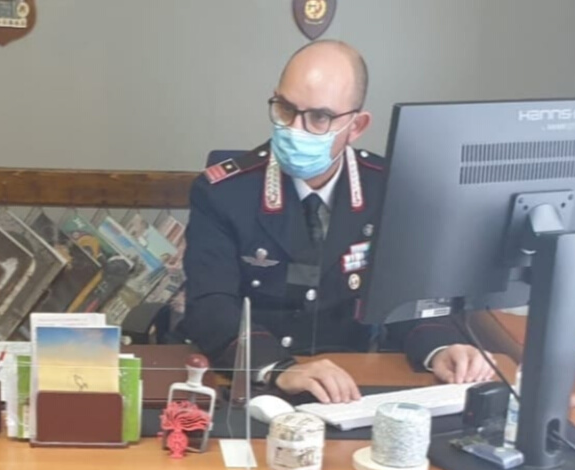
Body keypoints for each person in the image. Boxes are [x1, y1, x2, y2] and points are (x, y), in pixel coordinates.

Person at [180, 40, 495, 403]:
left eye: (319, 117)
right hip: (257, 383)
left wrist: (441, 347)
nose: (295, 129)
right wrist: (279, 367)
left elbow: (410, 300)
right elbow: (210, 305)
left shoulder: (388, 190)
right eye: (285, 109)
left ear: (356, 126)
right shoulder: (224, 192)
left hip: (354, 386)